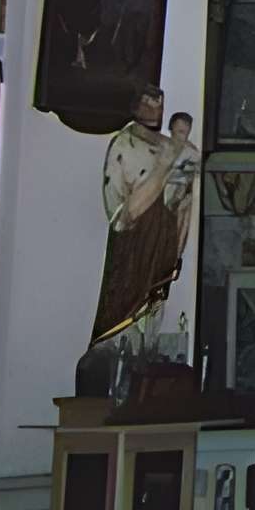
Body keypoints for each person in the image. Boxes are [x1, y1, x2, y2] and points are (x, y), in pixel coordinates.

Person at [89, 85, 196, 349]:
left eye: (158, 102)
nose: (154, 107)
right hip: (133, 243)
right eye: (148, 102)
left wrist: (176, 252)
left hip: (164, 241)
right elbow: (119, 210)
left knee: (154, 308)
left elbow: (184, 203)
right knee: (123, 311)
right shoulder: (126, 144)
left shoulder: (180, 150)